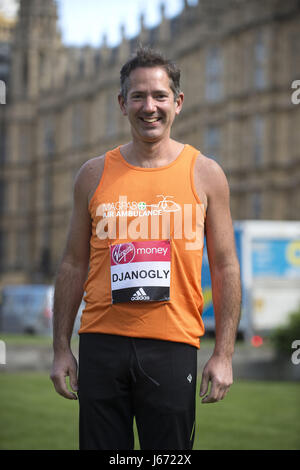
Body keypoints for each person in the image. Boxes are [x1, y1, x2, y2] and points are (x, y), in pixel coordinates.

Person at [50, 46, 241, 451]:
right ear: (122, 103)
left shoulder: (206, 174)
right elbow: (72, 264)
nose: (149, 106)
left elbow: (226, 267)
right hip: (101, 344)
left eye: (159, 96)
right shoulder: (93, 174)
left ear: (178, 102)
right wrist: (61, 348)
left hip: (172, 346)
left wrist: (223, 354)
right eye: (138, 96)